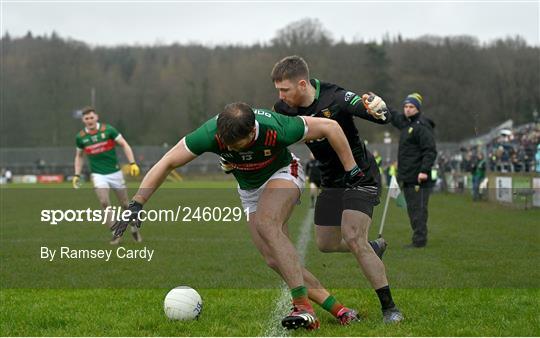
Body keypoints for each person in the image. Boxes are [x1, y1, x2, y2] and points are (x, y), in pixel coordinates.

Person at [111, 102, 370, 330]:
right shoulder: (211, 133)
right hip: (249, 190)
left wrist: (352, 169)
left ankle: (303, 307)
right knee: (273, 259)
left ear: (253, 130)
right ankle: (341, 311)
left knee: (268, 224)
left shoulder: (277, 126)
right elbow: (167, 161)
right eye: (227, 145)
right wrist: (136, 203)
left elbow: (330, 126)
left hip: (283, 174)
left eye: (237, 144)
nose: (231, 148)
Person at [271, 55, 403, 323]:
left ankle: (390, 308)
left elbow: (378, 114)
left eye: (285, 90)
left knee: (353, 236)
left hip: (359, 175)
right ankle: (373, 247)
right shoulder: (283, 109)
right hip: (330, 180)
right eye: (278, 91)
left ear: (302, 84)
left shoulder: (337, 98)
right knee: (325, 244)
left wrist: (379, 107)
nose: (281, 96)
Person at [73, 106, 142, 244]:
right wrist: (77, 175)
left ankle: (134, 227)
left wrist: (132, 163)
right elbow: (79, 157)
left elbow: (124, 144)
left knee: (125, 204)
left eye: (91, 117)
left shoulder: (108, 130)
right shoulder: (81, 137)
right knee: (104, 203)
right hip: (98, 175)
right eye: (86, 118)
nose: (89, 120)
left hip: (115, 173)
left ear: (96, 117)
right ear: (83, 120)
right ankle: (116, 233)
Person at [389, 93, 437, 248]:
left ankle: (419, 241)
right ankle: (418, 238)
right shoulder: (406, 124)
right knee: (412, 210)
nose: (407, 110)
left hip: (418, 177)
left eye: (411, 107)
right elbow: (393, 115)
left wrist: (424, 170)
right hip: (408, 177)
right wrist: (378, 102)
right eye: (406, 106)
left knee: (418, 210)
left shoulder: (421, 126)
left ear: (418, 109)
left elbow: (429, 150)